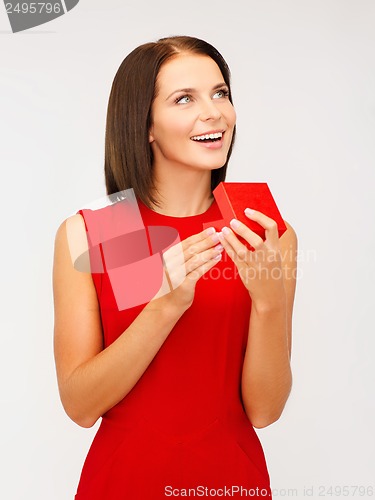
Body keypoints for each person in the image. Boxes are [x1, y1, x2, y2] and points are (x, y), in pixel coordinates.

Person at [53, 35, 297, 499]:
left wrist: (269, 302)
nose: (214, 113)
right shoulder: (107, 230)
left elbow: (264, 410)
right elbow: (81, 405)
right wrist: (162, 306)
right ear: (144, 124)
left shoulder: (259, 226)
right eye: (184, 98)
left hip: (230, 481)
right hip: (123, 481)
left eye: (220, 93)